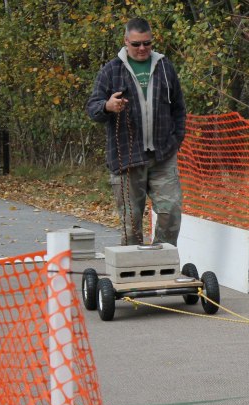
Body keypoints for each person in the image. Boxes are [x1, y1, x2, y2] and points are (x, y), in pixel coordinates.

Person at [86, 17, 186, 246]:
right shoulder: (111, 71)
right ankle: (133, 273)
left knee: (171, 213)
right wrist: (107, 106)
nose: (142, 48)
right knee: (131, 225)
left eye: (147, 43)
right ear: (126, 41)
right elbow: (92, 108)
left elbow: (179, 107)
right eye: (136, 44)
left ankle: (160, 263)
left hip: (163, 156)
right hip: (127, 158)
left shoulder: (164, 67)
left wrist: (177, 138)